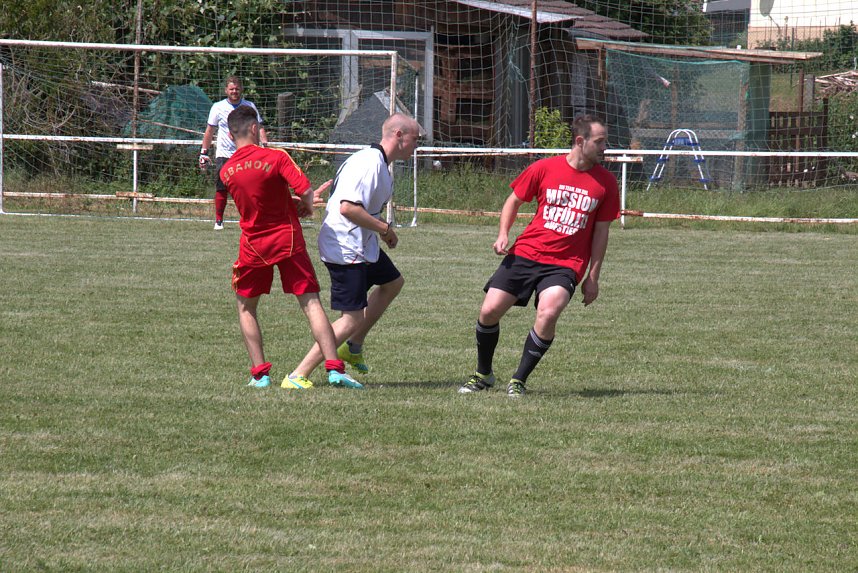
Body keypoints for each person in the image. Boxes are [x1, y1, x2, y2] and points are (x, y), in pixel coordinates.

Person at [458, 114, 620, 398]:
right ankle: (483, 374)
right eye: (600, 141)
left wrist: (593, 277)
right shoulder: (544, 168)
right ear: (580, 142)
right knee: (489, 310)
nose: (605, 146)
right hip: (526, 253)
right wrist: (503, 234)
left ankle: (518, 380)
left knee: (548, 312)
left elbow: (601, 232)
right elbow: (514, 199)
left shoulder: (606, 182)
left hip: (566, 264)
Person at [221, 105, 361, 390]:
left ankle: (260, 376)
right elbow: (305, 191)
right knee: (310, 303)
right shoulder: (275, 157)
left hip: (253, 245)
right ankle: (334, 370)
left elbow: (257, 206)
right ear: (253, 128)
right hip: (287, 239)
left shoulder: (226, 171)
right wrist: (307, 206)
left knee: (246, 308)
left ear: (230, 133)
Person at [287, 113, 420, 387]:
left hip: (362, 243)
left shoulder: (379, 162)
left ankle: (353, 346)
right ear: (398, 135)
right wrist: (384, 229)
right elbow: (348, 208)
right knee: (351, 318)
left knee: (393, 283)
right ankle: (298, 374)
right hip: (345, 247)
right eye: (415, 139)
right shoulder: (369, 163)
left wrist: (379, 232)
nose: (417, 145)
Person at [199, 76, 268, 230]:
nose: (234, 91)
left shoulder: (249, 106)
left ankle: (255, 218)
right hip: (224, 154)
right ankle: (218, 221)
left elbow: (259, 127)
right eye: (231, 89)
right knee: (221, 187)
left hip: (246, 153)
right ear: (226, 90)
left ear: (241, 89)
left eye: (237, 88)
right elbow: (210, 131)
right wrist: (204, 152)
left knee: (251, 187)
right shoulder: (217, 107)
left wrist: (265, 146)